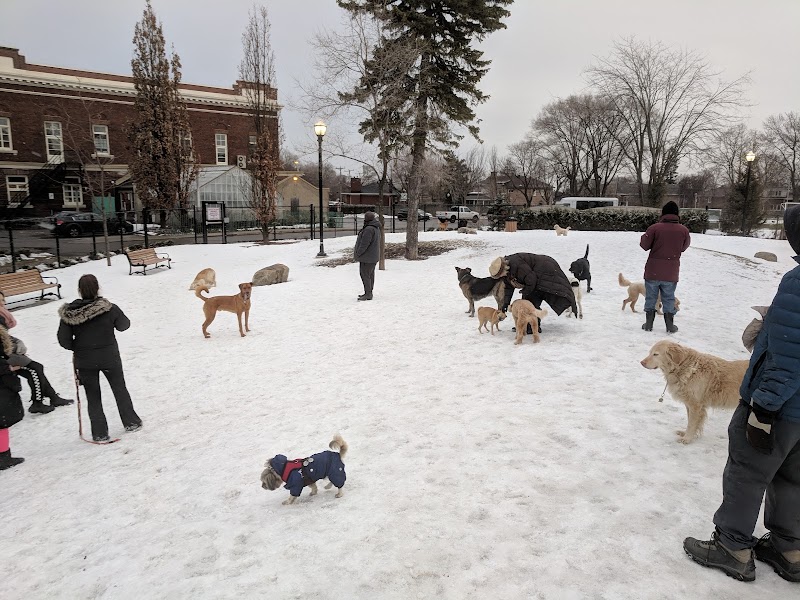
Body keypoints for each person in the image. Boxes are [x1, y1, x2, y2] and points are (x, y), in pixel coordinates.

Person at [683, 204, 800, 583]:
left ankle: (732, 548)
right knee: (793, 476)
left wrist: (762, 410)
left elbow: (790, 352)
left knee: (747, 471)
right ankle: (789, 549)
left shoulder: (798, 282)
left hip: (781, 407)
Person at [57, 274, 142, 442]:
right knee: (119, 389)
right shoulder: (109, 308)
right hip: (109, 356)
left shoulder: (70, 314)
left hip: (85, 360)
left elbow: (63, 340)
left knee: (93, 395)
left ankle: (99, 432)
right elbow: (124, 325)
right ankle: (131, 422)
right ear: (97, 288)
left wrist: (79, 347)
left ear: (79, 290)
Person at [0, 292, 73, 414]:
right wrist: (15, 347)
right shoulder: (1, 316)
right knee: (35, 368)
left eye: (3, 300)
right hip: (4, 358)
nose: (3, 303)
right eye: (0, 300)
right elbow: (2, 341)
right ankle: (37, 403)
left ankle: (53, 397)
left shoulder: (2, 315)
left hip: (6, 354)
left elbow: (4, 337)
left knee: (34, 369)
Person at [489, 253, 577, 333]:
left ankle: (532, 326)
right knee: (529, 299)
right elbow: (508, 287)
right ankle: (526, 325)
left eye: (499, 276)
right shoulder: (507, 272)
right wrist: (505, 304)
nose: (500, 278)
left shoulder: (517, 266)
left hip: (546, 270)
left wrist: (525, 291)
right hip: (535, 274)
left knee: (530, 301)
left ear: (502, 270)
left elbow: (531, 280)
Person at [639, 201, 690, 333]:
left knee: (651, 297)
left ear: (663, 213)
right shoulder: (683, 230)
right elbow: (684, 247)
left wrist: (644, 236)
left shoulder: (654, 228)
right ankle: (670, 326)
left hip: (653, 270)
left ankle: (649, 324)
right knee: (668, 297)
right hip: (671, 271)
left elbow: (644, 245)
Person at [0, 338, 24, 470]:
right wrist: (16, 385)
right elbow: (11, 382)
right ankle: (4, 457)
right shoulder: (2, 364)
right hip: (2, 397)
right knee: (2, 427)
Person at [353, 211, 380, 301]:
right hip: (373, 256)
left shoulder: (369, 229)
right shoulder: (375, 227)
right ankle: (368, 292)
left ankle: (368, 293)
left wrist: (358, 253)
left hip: (367, 257)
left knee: (365, 275)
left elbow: (364, 244)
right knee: (370, 275)